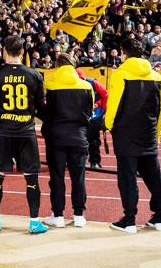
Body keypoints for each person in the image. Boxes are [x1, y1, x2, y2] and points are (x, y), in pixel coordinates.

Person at [0, 36, 48, 234]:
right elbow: (40, 107)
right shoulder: (34, 74)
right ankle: (34, 222)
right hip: (26, 132)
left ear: (4, 51)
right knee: (31, 179)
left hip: (3, 131)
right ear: (23, 52)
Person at [105, 38, 161, 233]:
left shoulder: (120, 74)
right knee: (154, 176)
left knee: (127, 178)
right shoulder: (156, 76)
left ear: (124, 53)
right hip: (148, 132)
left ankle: (130, 220)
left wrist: (108, 125)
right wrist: (156, 132)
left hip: (125, 134)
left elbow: (114, 105)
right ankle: (159, 218)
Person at [41, 54, 93, 228]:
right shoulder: (86, 86)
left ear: (57, 66)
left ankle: (58, 215)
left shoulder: (49, 84)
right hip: (79, 136)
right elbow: (89, 112)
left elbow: (44, 111)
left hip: (56, 137)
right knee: (78, 177)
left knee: (57, 177)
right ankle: (79, 214)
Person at [76, 70, 108, 169]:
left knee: (94, 139)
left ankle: (94, 161)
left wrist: (102, 108)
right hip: (81, 116)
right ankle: (80, 160)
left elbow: (105, 95)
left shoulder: (94, 83)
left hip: (95, 115)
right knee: (79, 140)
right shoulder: (73, 85)